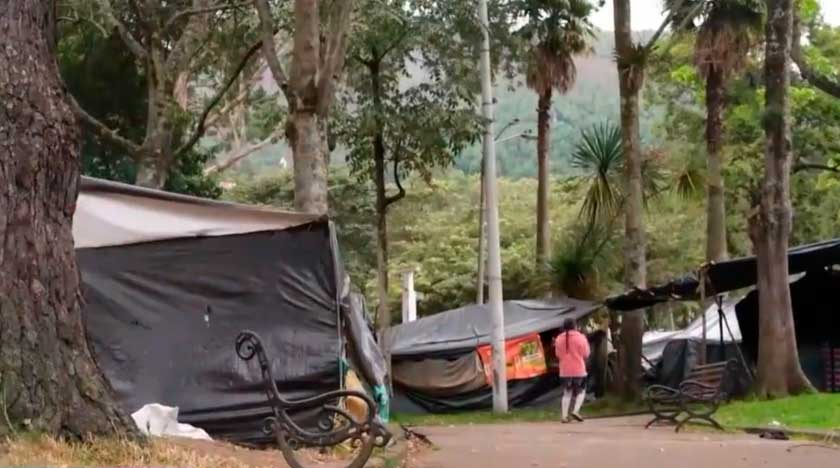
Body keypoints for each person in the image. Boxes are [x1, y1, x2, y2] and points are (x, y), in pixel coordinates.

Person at [554, 318, 590, 423]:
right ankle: (576, 411)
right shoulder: (581, 338)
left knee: (567, 393)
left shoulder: (558, 339)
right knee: (581, 391)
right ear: (575, 326)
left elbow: (557, 355)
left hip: (564, 370)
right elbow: (586, 354)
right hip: (579, 370)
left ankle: (564, 416)